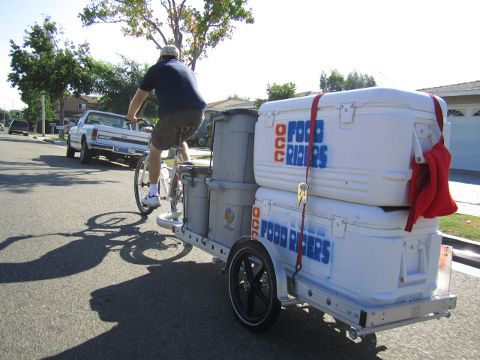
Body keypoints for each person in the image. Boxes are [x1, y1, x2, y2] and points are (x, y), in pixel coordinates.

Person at [126, 45, 206, 208]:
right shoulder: (188, 70)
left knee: (155, 150)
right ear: (177, 57)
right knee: (181, 139)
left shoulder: (157, 69)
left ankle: (153, 194)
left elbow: (139, 96)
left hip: (173, 115)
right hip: (198, 113)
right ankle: (187, 169)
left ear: (161, 57)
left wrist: (131, 115)